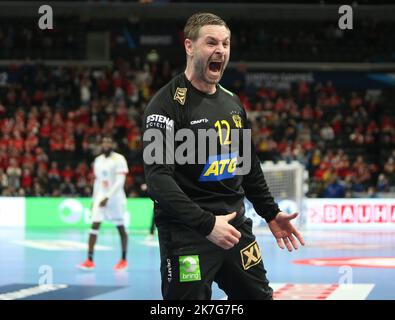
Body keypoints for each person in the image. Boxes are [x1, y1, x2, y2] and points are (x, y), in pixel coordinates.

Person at [143, 12, 305, 300]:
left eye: (226, 43)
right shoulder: (165, 106)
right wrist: (206, 224)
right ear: (189, 47)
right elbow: (158, 180)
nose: (220, 50)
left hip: (235, 230)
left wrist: (270, 212)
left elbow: (249, 165)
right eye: (211, 43)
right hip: (188, 234)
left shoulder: (232, 102)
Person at [78, 135, 129, 271]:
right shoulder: (98, 160)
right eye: (104, 142)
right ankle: (89, 259)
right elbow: (98, 181)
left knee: (120, 227)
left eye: (109, 142)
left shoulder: (119, 159)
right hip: (101, 196)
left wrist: (108, 197)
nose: (106, 144)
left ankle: (123, 259)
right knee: (94, 225)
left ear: (113, 144)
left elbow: (120, 182)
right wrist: (94, 199)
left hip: (115, 198)